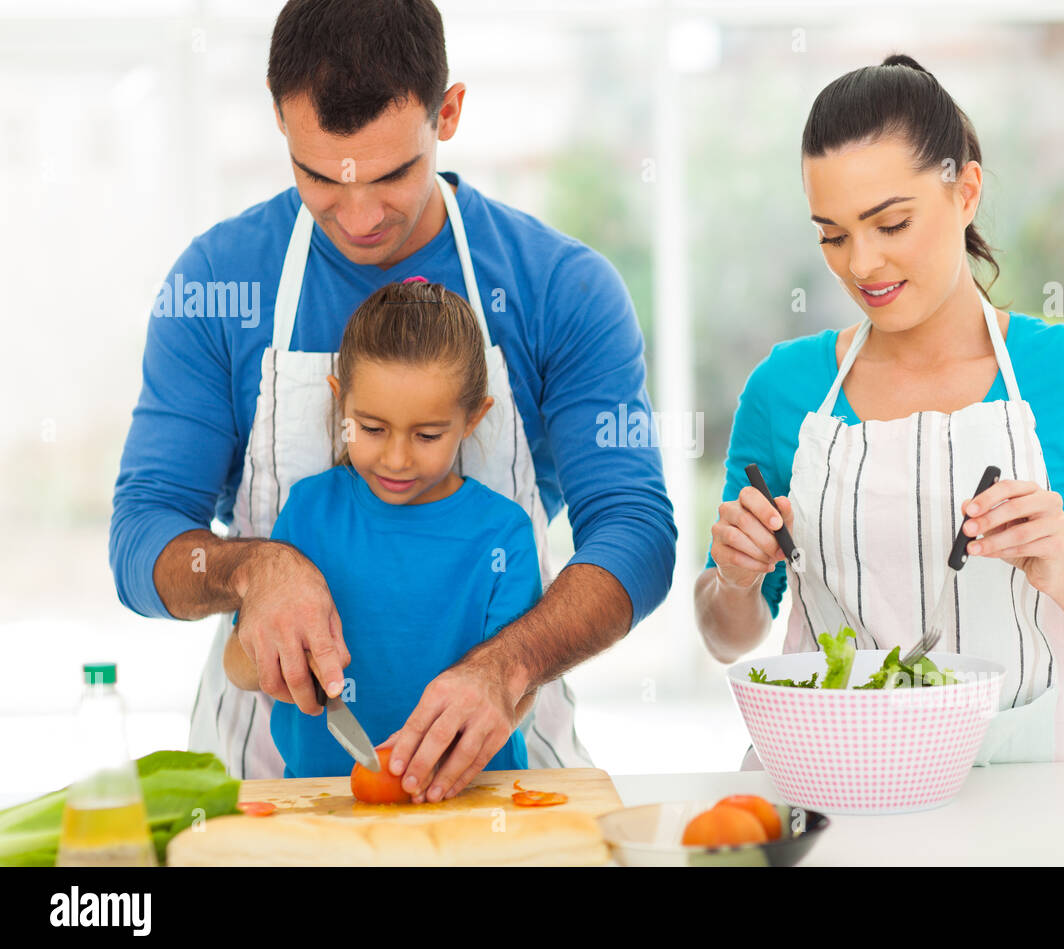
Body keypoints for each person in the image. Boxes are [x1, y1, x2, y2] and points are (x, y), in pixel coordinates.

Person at [110, 0, 676, 799]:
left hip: (503, 772)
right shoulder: (215, 283)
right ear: (279, 120)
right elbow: (142, 536)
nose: (361, 218)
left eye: (391, 175)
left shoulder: (563, 288)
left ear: (448, 113)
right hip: (263, 787)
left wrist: (505, 668)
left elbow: (636, 532)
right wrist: (250, 570)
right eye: (319, 178)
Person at [694, 54, 1064, 767]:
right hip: (827, 788)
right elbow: (727, 634)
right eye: (833, 235)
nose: (861, 264)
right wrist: (736, 578)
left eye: (891, 223)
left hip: (1030, 806)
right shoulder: (785, 389)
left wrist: (1062, 572)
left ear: (966, 191)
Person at [222, 278, 541, 782]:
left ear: (473, 418)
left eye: (428, 435)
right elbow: (238, 668)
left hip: (472, 803)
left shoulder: (502, 535)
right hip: (322, 805)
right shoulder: (308, 512)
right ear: (339, 402)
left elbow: (517, 694)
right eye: (371, 429)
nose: (396, 459)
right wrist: (274, 652)